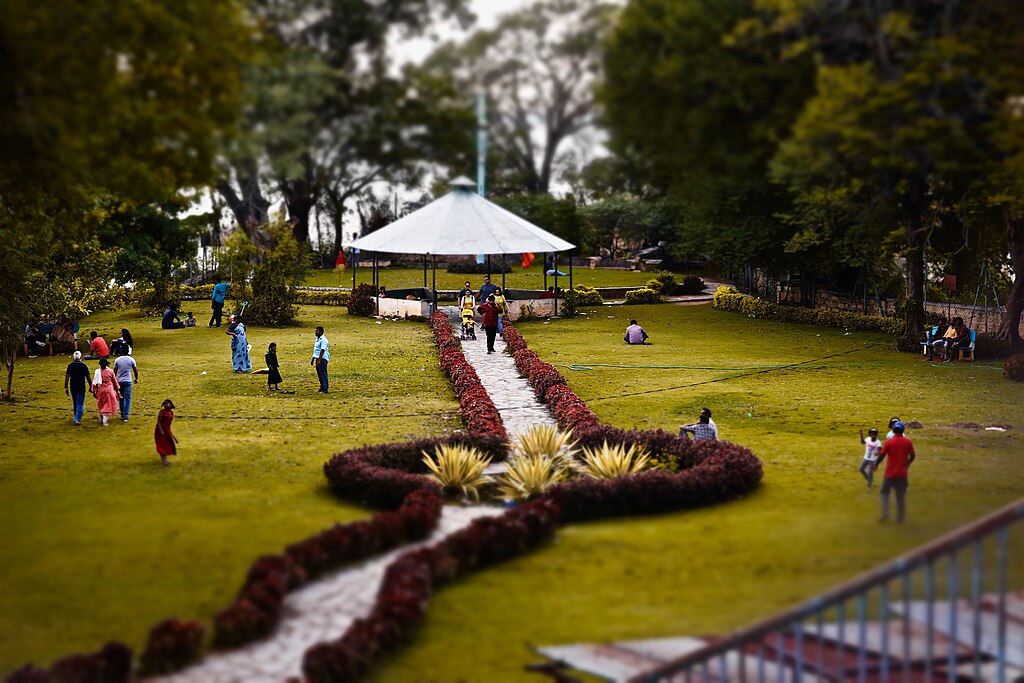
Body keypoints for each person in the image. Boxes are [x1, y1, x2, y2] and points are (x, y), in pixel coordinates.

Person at [875, 421, 916, 523]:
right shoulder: (907, 442)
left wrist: (876, 464)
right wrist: (908, 463)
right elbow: (913, 455)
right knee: (900, 496)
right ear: (903, 430)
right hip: (902, 474)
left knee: (884, 492)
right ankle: (900, 518)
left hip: (890, 474)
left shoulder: (889, 442)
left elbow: (882, 455)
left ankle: (885, 514)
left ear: (893, 430)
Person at [90, 357, 121, 426]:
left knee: (101, 404)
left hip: (100, 390)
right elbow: (114, 381)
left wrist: (93, 390)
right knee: (108, 405)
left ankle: (101, 419)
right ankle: (105, 421)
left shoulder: (97, 372)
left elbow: (94, 382)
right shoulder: (110, 371)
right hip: (109, 390)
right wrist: (117, 389)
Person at [64, 351, 91, 426]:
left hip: (73, 387)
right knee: (80, 403)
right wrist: (91, 386)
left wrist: (66, 387)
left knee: (75, 402)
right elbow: (88, 377)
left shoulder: (70, 366)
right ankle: (77, 419)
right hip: (81, 387)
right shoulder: (84, 366)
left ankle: (75, 417)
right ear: (81, 357)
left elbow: (67, 377)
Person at [113, 351, 139, 422]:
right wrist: (136, 378)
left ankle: (122, 414)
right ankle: (125, 415)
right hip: (128, 381)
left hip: (120, 381)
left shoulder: (117, 360)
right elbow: (135, 371)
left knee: (121, 398)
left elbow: (114, 372)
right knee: (128, 398)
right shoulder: (131, 359)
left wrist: (114, 381)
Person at [155, 399, 178, 466]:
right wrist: (160, 430)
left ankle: (165, 460)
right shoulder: (162, 412)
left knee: (168, 444)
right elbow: (158, 422)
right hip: (161, 430)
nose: (166, 404)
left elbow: (169, 425)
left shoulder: (171, 413)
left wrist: (173, 436)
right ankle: (163, 461)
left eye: (167, 403)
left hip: (167, 429)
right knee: (162, 445)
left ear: (171, 405)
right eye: (165, 403)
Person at [311, 326, 330, 393]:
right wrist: (313, 359)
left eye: (317, 331)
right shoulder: (317, 339)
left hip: (322, 358)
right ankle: (322, 387)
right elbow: (316, 350)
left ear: (321, 332)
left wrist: (319, 359)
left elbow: (322, 350)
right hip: (317, 358)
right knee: (319, 374)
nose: (315, 333)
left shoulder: (324, 340)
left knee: (323, 373)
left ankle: (325, 389)